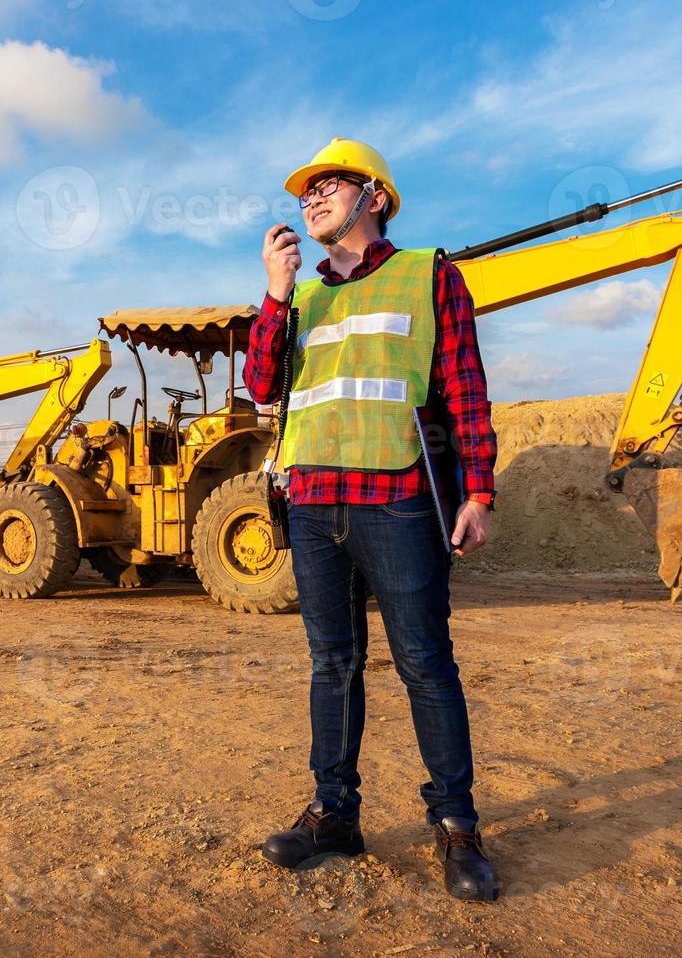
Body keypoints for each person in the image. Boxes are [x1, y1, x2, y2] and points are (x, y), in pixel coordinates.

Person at [245, 138, 501, 901]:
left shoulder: (431, 275)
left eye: (330, 185)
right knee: (333, 664)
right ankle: (333, 816)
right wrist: (276, 293)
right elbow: (262, 387)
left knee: (425, 661)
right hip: (314, 502)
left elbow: (466, 389)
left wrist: (478, 492)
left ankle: (457, 827)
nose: (312, 197)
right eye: (305, 192)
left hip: (398, 500)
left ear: (375, 197)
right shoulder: (301, 297)